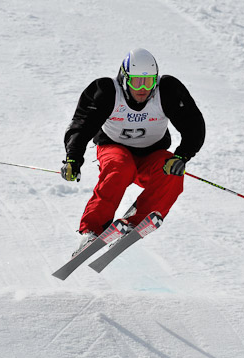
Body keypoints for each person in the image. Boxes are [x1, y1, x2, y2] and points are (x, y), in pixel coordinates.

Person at [61, 48, 205, 252]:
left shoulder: (167, 90)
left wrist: (183, 155)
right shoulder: (107, 91)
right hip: (114, 148)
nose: (143, 88)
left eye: (149, 82)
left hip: (152, 155)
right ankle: (91, 230)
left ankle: (138, 220)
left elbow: (193, 125)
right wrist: (73, 158)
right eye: (136, 81)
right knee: (120, 168)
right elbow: (82, 125)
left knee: (172, 170)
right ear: (124, 78)